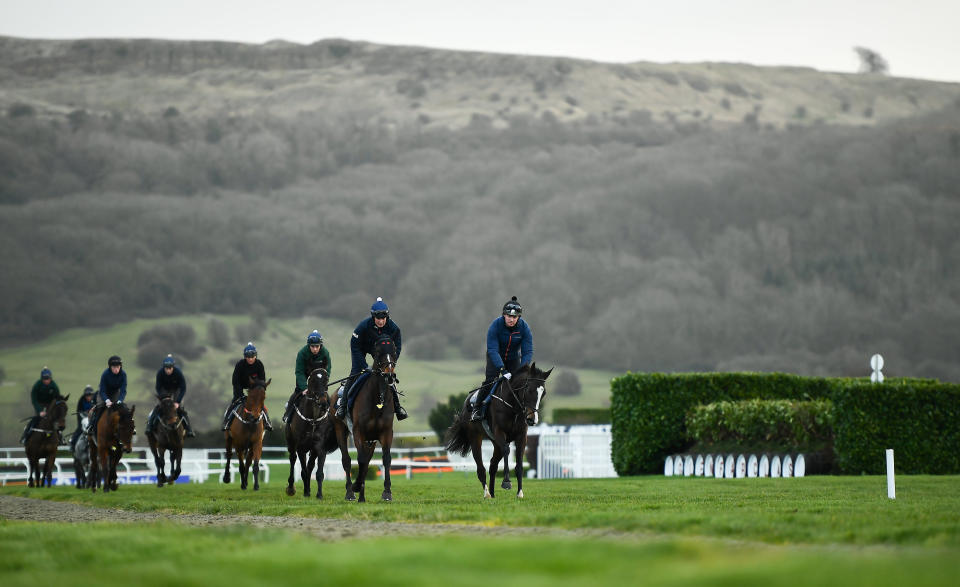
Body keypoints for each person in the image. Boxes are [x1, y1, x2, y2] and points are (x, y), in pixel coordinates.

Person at [335, 297, 407, 421]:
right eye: (378, 319)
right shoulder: (363, 326)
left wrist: (390, 364)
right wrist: (363, 366)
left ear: (387, 317)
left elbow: (397, 348)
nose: (381, 321)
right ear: (373, 317)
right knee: (355, 373)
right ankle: (343, 405)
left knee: (388, 375)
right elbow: (355, 346)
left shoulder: (394, 328)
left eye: (383, 318)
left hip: (381, 352)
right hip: (362, 348)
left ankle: (398, 407)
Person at [471, 296, 534, 421]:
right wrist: (502, 369)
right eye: (508, 316)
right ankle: (477, 408)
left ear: (519, 317)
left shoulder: (524, 328)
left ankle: (523, 412)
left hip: (513, 358)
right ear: (503, 315)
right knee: (490, 381)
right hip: (495, 357)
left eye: (514, 317)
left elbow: (527, 351)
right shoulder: (495, 325)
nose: (511, 319)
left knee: (520, 383)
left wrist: (522, 369)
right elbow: (493, 349)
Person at [283, 330, 332, 423]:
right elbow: (299, 371)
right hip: (305, 377)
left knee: (327, 398)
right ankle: (288, 414)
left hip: (319, 379)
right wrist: (304, 388)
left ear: (320, 345)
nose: (315, 349)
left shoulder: (325, 353)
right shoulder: (302, 353)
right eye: (312, 346)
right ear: (308, 345)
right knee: (295, 396)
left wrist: (323, 381)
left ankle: (331, 417)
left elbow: (328, 369)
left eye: (317, 346)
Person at [222, 342, 273, 431]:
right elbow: (235, 381)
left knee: (261, 406)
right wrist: (240, 394)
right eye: (248, 357)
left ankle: (267, 422)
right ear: (245, 357)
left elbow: (262, 381)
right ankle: (226, 422)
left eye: (252, 357)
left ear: (255, 356)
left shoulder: (259, 364)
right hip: (240, 388)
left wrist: (258, 392)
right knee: (234, 403)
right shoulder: (240, 364)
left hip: (254, 389)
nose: (250, 359)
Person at [146, 354, 196, 438]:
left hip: (176, 390)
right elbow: (158, 387)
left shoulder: (178, 373)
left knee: (181, 409)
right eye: (166, 368)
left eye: (170, 368)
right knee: (158, 407)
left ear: (173, 367)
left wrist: (178, 402)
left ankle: (189, 429)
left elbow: (183, 388)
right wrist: (163, 397)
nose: (168, 370)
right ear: (164, 368)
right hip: (164, 391)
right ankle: (149, 427)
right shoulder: (160, 373)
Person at [21, 367, 63, 444]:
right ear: (42, 379)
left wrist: (53, 410)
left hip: (50, 405)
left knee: (55, 421)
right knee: (35, 420)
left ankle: (60, 437)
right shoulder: (37, 386)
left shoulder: (54, 386)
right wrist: (39, 411)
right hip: (39, 404)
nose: (46, 381)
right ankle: (26, 436)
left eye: (48, 378)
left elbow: (57, 399)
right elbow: (34, 400)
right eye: (44, 379)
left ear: (51, 378)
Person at [88, 355, 128, 433]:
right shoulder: (105, 374)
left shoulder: (123, 374)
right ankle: (92, 427)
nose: (116, 369)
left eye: (118, 367)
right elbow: (102, 390)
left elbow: (123, 391)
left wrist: (120, 401)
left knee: (124, 408)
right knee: (100, 408)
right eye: (114, 367)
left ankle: (128, 427)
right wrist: (107, 401)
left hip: (115, 393)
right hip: (103, 394)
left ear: (120, 366)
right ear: (110, 367)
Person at [70, 384, 97, 451]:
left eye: (90, 395)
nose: (88, 397)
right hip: (83, 418)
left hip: (93, 419)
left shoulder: (95, 400)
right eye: (87, 395)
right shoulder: (81, 400)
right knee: (79, 430)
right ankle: (72, 444)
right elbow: (79, 411)